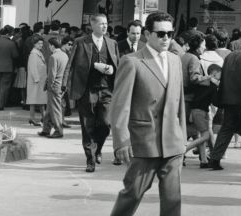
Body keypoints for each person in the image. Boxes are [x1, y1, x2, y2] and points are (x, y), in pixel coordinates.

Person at [109, 11, 188, 216]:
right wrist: (121, 141)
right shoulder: (132, 61)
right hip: (144, 140)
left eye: (170, 34)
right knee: (133, 193)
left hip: (172, 142)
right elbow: (120, 104)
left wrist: (182, 137)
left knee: (172, 198)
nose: (166, 38)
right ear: (147, 34)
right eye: (160, 34)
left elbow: (179, 102)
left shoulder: (175, 60)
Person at [64, 13, 120, 172]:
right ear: (92, 25)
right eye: (101, 23)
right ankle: (90, 159)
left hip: (106, 89)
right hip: (87, 90)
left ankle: (98, 148)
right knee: (87, 126)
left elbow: (117, 65)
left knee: (105, 124)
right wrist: (64, 84)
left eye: (106, 23)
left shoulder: (112, 43)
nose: (105, 26)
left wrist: (111, 70)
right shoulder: (80, 42)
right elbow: (70, 65)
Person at [209, 30, 241, 172]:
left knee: (227, 129)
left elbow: (223, 78)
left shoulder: (230, 56)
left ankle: (215, 158)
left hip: (228, 99)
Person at [38, 36, 70, 138]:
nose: (49, 48)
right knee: (49, 108)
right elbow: (66, 72)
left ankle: (58, 131)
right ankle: (46, 129)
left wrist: (49, 86)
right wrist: (64, 85)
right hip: (60, 85)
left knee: (55, 110)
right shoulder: (65, 55)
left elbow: (52, 74)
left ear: (52, 46)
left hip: (54, 86)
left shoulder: (53, 57)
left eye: (49, 46)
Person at [191, 64, 221, 168]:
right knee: (206, 136)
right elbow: (216, 102)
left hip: (195, 110)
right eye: (220, 74)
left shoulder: (201, 82)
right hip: (201, 111)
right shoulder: (212, 86)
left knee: (202, 136)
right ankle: (184, 150)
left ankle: (204, 160)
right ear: (214, 73)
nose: (220, 77)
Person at [0, 25, 19, 111]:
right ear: (8, 34)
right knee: (4, 87)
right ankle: (1, 105)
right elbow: (15, 55)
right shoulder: (11, 43)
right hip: (7, 68)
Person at [26, 34, 47, 126]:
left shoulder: (37, 52)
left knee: (38, 100)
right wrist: (36, 79)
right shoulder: (34, 54)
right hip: (36, 81)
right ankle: (34, 118)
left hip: (39, 80)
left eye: (41, 43)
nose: (41, 45)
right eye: (39, 43)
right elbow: (33, 67)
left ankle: (41, 117)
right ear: (34, 44)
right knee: (34, 100)